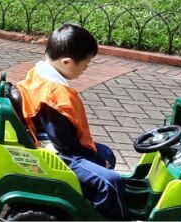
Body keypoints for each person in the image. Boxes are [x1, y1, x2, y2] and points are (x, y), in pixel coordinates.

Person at [16, 24, 125, 220]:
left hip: (55, 143)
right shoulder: (54, 96)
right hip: (58, 153)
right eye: (85, 64)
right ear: (67, 62)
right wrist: (91, 156)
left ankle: (87, 196)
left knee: (107, 155)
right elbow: (64, 144)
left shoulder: (39, 72)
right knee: (111, 182)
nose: (85, 68)